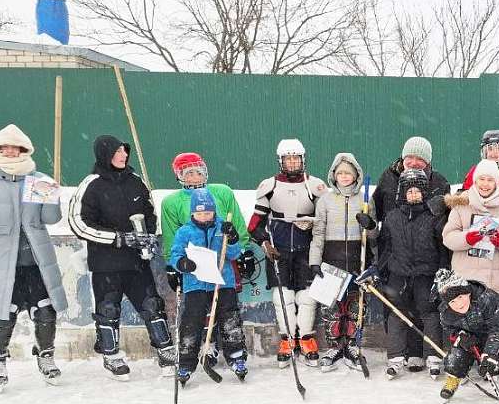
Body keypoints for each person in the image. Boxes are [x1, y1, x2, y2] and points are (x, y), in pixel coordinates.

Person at [0, 124, 67, 389]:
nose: (10, 151)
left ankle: (46, 355)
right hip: (4, 264)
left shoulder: (37, 178)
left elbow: (51, 219)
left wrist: (52, 197)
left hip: (37, 261)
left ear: (24, 149)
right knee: (3, 314)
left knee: (45, 311)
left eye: (15, 147)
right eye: (4, 147)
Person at [68, 134, 173, 380]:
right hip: (105, 262)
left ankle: (165, 351)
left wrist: (146, 235)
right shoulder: (91, 184)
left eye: (124, 151)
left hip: (137, 262)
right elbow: (78, 223)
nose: (123, 156)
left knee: (152, 305)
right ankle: (111, 355)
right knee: (108, 309)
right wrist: (116, 238)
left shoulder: (136, 181)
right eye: (117, 152)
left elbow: (150, 213)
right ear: (105, 155)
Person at [160, 152, 251, 370]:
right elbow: (173, 239)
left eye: (198, 171)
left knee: (227, 310)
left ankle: (234, 354)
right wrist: (174, 266)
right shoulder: (172, 202)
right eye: (188, 173)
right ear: (179, 176)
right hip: (195, 273)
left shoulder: (221, 192)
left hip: (222, 269)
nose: (194, 176)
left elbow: (235, 223)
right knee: (194, 314)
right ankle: (203, 347)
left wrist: (243, 248)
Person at [372, 136, 450, 372]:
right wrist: (370, 227)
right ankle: (399, 354)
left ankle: (420, 353)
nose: (414, 162)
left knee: (425, 308)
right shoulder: (387, 178)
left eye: (420, 159)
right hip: (396, 257)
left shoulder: (439, 182)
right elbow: (376, 212)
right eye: (410, 157)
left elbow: (443, 229)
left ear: (427, 162)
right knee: (397, 308)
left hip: (425, 260)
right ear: (402, 157)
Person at [246, 139, 326, 367]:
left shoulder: (315, 185)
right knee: (282, 296)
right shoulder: (269, 186)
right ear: (280, 161)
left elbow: (325, 218)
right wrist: (265, 244)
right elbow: (254, 224)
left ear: (303, 159)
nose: (292, 163)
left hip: (306, 249)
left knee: (308, 296)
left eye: (296, 158)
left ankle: (307, 338)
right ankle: (287, 339)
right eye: (287, 159)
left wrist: (311, 223)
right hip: (278, 249)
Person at [169, 189, 248, 384]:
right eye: (199, 213)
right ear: (192, 213)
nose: (204, 217)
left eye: (208, 213)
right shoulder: (185, 231)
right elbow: (175, 254)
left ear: (214, 211)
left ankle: (237, 357)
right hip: (195, 285)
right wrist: (182, 263)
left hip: (223, 283)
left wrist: (233, 238)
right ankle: (186, 364)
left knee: (230, 320)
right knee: (191, 322)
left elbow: (234, 254)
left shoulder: (223, 227)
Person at [308, 152, 377, 371]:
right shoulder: (325, 200)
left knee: (357, 306)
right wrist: (314, 261)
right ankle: (334, 347)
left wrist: (370, 225)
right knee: (332, 308)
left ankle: (353, 347)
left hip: (358, 259)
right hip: (332, 260)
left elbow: (374, 235)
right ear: (333, 175)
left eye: (348, 172)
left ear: (357, 175)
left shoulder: (365, 199)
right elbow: (318, 232)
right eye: (340, 173)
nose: (344, 176)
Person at [432, 269, 499, 401]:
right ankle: (453, 378)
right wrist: (460, 336)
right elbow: (448, 329)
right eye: (452, 302)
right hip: (472, 333)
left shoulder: (486, 299)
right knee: (457, 354)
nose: (458, 304)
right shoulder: (446, 312)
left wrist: (489, 354)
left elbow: (497, 327)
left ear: (468, 292)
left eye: (460, 297)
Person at [442, 159, 499, 296]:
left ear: (496, 183)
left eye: (490, 180)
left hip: (494, 283)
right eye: (482, 179)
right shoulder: (461, 206)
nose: (485, 184)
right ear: (475, 181)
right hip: (465, 281)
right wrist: (468, 238)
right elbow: (447, 238)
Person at [460, 130, 499, 205]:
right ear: (484, 153)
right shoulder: (476, 171)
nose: (495, 152)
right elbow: (464, 193)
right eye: (490, 149)